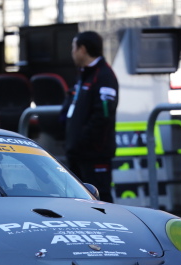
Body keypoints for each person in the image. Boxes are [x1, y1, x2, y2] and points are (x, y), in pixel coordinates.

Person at [60, 31, 118, 203]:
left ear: (82, 49)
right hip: (77, 153)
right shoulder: (84, 74)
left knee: (101, 200)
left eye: (73, 48)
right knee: (78, 201)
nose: (72, 52)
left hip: (95, 154)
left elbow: (103, 116)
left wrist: (81, 141)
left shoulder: (104, 76)